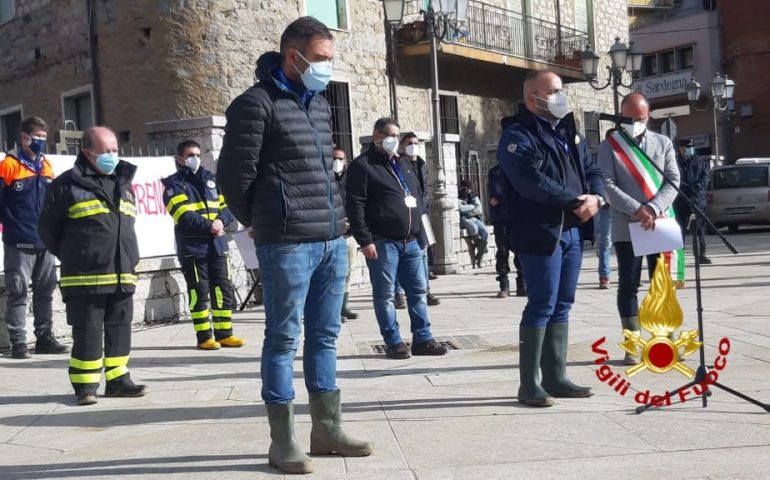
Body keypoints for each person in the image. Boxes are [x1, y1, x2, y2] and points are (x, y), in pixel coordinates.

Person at [215, 16, 372, 474]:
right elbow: (232, 177)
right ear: (293, 56)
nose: (327, 67)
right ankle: (282, 440)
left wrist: (337, 220)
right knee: (283, 339)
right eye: (321, 59)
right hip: (285, 243)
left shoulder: (320, 104)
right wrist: (264, 220)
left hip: (328, 239)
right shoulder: (254, 104)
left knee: (325, 336)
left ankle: (327, 430)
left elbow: (325, 170)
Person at [497, 70, 604, 407]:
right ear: (534, 98)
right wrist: (575, 200)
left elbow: (592, 169)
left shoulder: (569, 133)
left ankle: (556, 376)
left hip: (571, 230)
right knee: (542, 303)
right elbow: (530, 181)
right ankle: (530, 385)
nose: (562, 97)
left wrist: (596, 197)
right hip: (540, 232)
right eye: (555, 91)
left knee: (563, 303)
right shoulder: (517, 136)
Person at [38, 126, 147, 406]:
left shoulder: (124, 183)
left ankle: (119, 381)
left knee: (120, 329)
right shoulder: (65, 185)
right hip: (85, 276)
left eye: (114, 150)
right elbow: (48, 231)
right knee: (88, 332)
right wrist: (77, 255)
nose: (112, 156)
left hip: (123, 272)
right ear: (87, 152)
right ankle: (85, 386)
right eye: (105, 151)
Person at [346, 117, 448, 360]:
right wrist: (365, 240)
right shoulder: (363, 166)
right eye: (389, 135)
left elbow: (415, 197)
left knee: (418, 291)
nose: (393, 140)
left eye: (396, 135)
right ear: (376, 136)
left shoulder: (402, 164)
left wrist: (422, 235)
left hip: (411, 242)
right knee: (385, 295)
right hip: (382, 242)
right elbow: (355, 205)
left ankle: (423, 338)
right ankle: (393, 341)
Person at [597, 93, 681, 366]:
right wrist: (638, 209)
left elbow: (673, 180)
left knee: (662, 284)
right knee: (628, 284)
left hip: (658, 222)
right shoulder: (610, 145)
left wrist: (654, 208)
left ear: (649, 116)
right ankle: (632, 345)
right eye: (630, 118)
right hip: (627, 224)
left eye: (640, 118)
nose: (635, 123)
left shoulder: (662, 143)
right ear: (621, 117)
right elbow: (608, 185)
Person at [161, 140, 246, 350]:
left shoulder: (211, 180)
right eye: (190, 155)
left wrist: (221, 221)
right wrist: (211, 226)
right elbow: (183, 215)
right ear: (179, 159)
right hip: (193, 249)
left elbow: (227, 207)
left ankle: (225, 333)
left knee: (222, 289)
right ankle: (204, 336)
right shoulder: (173, 184)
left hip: (217, 245)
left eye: (198, 154)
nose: (195, 159)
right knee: (199, 291)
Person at [0, 116, 67, 359]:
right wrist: (11, 227)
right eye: (37, 137)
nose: (40, 142)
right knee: (17, 291)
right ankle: (18, 342)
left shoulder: (46, 166)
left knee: (45, 291)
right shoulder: (8, 165)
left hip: (45, 242)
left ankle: (45, 337)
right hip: (19, 241)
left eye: (43, 138)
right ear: (24, 137)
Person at [393, 133, 440, 307]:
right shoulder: (398, 164)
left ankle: (425, 289)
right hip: (406, 214)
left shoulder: (421, 164)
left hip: (422, 213)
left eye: (416, 143)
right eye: (409, 143)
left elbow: (423, 191)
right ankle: (398, 293)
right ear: (402, 146)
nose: (413, 145)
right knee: (403, 255)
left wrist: (425, 210)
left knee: (424, 253)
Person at [487, 163, 526, 298]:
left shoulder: (520, 169)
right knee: (502, 251)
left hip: (518, 216)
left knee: (520, 251)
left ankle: (522, 284)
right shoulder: (496, 172)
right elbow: (495, 196)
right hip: (501, 217)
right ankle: (504, 284)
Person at [674, 137, 711, 264]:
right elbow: (673, 178)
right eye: (686, 147)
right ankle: (679, 256)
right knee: (679, 229)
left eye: (690, 147)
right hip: (681, 199)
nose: (689, 149)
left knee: (700, 228)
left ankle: (702, 254)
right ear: (680, 149)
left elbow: (706, 176)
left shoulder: (700, 161)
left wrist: (698, 187)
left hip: (698, 199)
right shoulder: (674, 162)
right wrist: (685, 188)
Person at [333, 146, 359, 322]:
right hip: (333, 235)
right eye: (334, 158)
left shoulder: (351, 181)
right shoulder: (324, 180)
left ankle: (343, 306)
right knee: (334, 273)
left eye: (341, 159)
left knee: (349, 271)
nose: (337, 162)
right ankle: (334, 309)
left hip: (350, 234)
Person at [458, 182, 489, 268]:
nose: (467, 190)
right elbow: (460, 208)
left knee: (485, 232)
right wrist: (472, 206)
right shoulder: (457, 196)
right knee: (474, 228)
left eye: (468, 188)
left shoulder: (473, 196)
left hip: (474, 218)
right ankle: (482, 248)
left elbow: (479, 209)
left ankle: (479, 255)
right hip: (465, 219)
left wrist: (469, 209)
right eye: (465, 188)